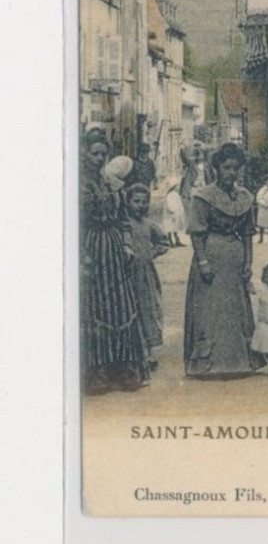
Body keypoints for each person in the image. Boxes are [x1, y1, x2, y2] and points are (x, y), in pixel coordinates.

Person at [80, 132, 150, 393]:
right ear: (84, 153)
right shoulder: (76, 182)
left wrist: (128, 243)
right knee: (96, 308)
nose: (98, 158)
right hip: (91, 247)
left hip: (114, 249)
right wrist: (81, 254)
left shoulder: (110, 182)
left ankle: (124, 368)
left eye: (102, 154)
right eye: (93, 153)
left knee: (121, 306)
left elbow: (123, 217)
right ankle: (97, 371)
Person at [183, 143, 257, 379]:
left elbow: (248, 232)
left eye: (236, 168)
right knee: (210, 308)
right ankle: (207, 363)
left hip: (234, 259)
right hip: (212, 256)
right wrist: (203, 261)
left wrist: (248, 263)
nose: (231, 172)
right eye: (227, 167)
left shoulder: (245, 197)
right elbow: (196, 232)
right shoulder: (203, 197)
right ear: (216, 169)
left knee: (235, 308)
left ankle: (239, 361)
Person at [124, 183, 168, 369]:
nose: (140, 205)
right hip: (127, 275)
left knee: (148, 311)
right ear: (127, 202)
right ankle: (135, 353)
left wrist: (153, 252)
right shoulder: (124, 225)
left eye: (144, 202)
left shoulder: (150, 225)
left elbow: (163, 242)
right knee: (131, 311)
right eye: (136, 201)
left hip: (146, 275)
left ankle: (149, 354)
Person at [162, 176, 186, 247]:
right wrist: (172, 212)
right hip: (171, 214)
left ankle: (177, 240)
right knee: (170, 228)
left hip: (176, 214)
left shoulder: (176, 194)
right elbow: (170, 205)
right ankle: (170, 241)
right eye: (177, 186)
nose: (178, 188)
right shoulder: (171, 195)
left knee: (175, 228)